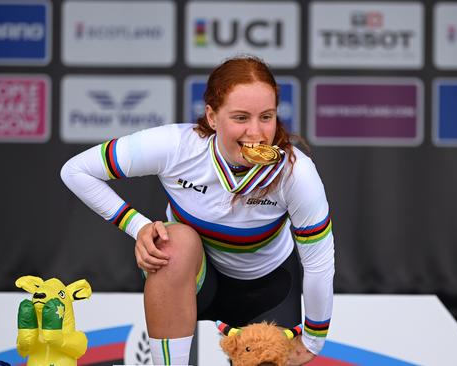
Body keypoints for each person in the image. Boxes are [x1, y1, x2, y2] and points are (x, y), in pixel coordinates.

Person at [60, 55, 334, 366]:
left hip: (267, 292)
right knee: (171, 242)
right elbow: (76, 171)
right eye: (241, 118)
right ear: (212, 116)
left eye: (266, 117)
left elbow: (319, 263)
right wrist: (138, 227)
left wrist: (313, 339)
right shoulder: (176, 146)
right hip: (196, 282)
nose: (256, 133)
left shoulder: (295, 172)